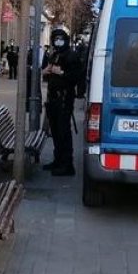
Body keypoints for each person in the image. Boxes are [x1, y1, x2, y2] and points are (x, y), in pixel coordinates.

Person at [42, 28, 85, 176]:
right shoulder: (54, 55)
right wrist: (47, 72)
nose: (58, 42)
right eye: (56, 39)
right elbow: (48, 75)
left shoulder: (71, 56)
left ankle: (67, 164)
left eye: (61, 39)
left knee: (63, 131)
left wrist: (61, 73)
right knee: (55, 131)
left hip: (64, 99)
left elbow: (76, 76)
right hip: (53, 98)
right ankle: (58, 159)